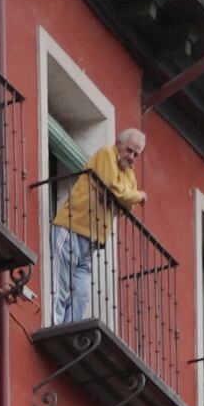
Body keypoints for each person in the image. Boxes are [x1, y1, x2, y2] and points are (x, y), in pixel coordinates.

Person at [48, 125, 144, 329]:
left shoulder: (129, 175)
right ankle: (53, 327)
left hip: (92, 241)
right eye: (129, 150)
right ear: (118, 143)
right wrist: (136, 195)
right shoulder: (106, 153)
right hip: (71, 227)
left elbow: (127, 206)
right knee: (60, 286)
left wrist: (125, 196)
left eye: (136, 154)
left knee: (80, 295)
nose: (132, 157)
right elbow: (114, 189)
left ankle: (67, 331)